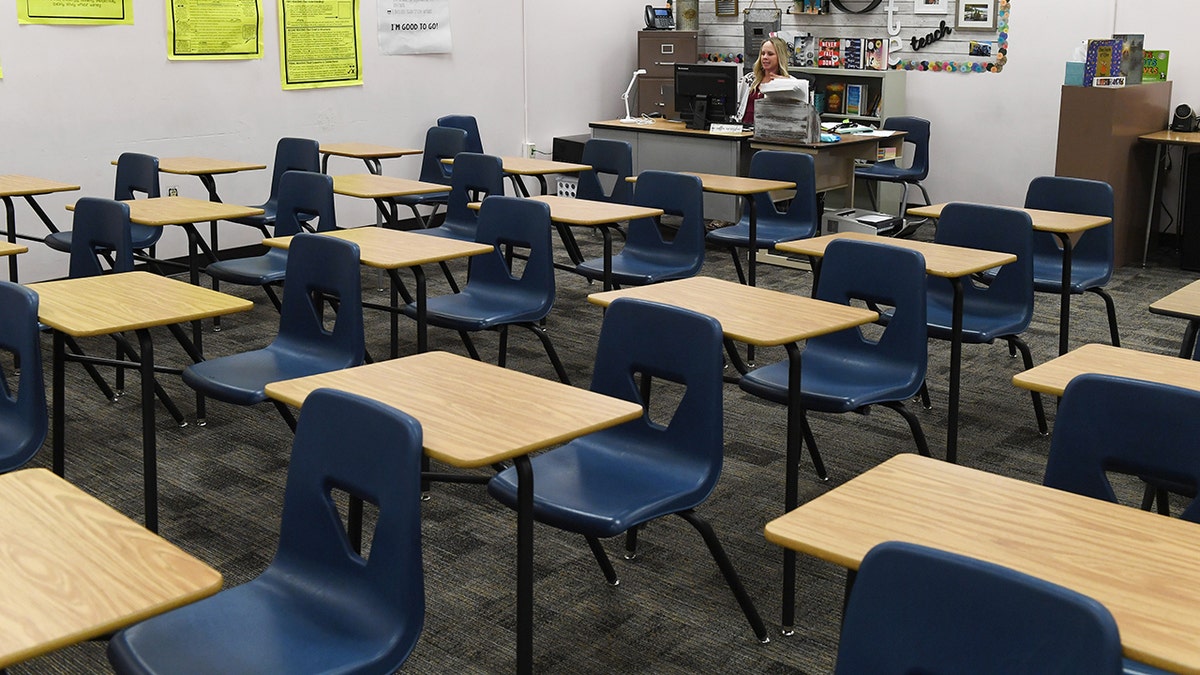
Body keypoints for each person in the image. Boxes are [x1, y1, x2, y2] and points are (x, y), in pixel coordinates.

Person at [736, 36, 796, 125]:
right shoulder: (748, 79)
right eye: (763, 53)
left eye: (770, 54)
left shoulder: (790, 83)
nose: (765, 57)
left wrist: (785, 84)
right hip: (744, 131)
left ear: (780, 56)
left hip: (771, 133)